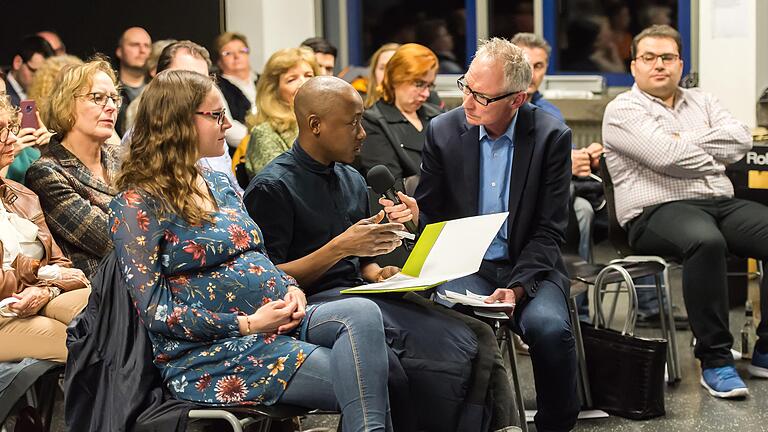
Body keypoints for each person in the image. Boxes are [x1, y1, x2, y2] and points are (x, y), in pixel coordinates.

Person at [110, 69, 392, 431]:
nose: (228, 123)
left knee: (363, 313)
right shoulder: (136, 204)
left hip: (277, 320)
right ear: (176, 124)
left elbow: (256, 255)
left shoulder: (217, 182)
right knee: (370, 380)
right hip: (213, 353)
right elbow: (154, 311)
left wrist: (290, 286)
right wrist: (246, 324)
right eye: (215, 115)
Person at [245, 76, 514, 432]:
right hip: (312, 308)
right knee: (437, 351)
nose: (362, 133)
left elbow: (360, 265)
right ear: (315, 125)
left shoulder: (351, 179)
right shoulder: (272, 187)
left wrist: (378, 272)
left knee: (476, 334)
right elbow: (267, 281)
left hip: (359, 293)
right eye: (353, 123)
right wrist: (341, 246)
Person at [382, 38, 580, 431]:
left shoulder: (550, 136)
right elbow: (434, 215)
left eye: (482, 96)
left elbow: (549, 230)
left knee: (550, 332)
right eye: (465, 87)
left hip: (531, 266)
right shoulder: (444, 130)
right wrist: (416, 216)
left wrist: (519, 287)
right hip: (467, 263)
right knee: (444, 326)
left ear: (517, 100)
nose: (468, 102)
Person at [602, 24, 768, 398]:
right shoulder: (622, 110)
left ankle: (765, 349)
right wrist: (703, 153)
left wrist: (681, 143)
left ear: (680, 63)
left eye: (668, 57)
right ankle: (715, 359)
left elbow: (740, 140)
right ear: (633, 66)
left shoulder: (703, 101)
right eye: (649, 57)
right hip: (656, 211)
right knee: (705, 242)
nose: (659, 65)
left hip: (719, 202)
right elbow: (666, 156)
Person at [0, 91, 90, 363]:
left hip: (38, 297)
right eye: (0, 130)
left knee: (106, 309)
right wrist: (44, 274)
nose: (13, 139)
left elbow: (63, 264)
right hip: (4, 315)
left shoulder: (21, 195)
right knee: (84, 345)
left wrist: (45, 289)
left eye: (11, 127)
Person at [25, 59, 121, 278]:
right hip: (104, 291)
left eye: (114, 99)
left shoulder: (123, 158)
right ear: (66, 105)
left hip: (151, 276)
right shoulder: (47, 172)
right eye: (98, 98)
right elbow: (112, 239)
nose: (111, 106)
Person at [121, 40, 242, 194]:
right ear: (162, 81)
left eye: (204, 79)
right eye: (185, 77)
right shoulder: (142, 137)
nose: (199, 87)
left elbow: (235, 193)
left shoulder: (215, 131)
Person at [355, 43, 442, 195]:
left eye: (429, 85)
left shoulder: (438, 116)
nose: (426, 94)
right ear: (395, 79)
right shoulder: (373, 121)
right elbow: (393, 188)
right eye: (419, 84)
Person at [3, 55, 82, 184]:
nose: (5, 105)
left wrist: (51, 150)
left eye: (4, 97)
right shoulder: (16, 145)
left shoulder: (27, 147)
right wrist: (6, 157)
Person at [244, 47, 318, 177]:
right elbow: (280, 184)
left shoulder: (324, 123)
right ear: (274, 90)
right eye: (292, 79)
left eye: (309, 76)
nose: (303, 83)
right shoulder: (264, 133)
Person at [114, 27, 152, 135]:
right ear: (119, 51)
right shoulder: (109, 90)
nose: (142, 50)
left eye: (147, 46)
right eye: (135, 45)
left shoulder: (158, 90)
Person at [215, 32, 257, 126]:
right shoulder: (217, 87)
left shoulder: (263, 80)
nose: (237, 56)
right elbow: (228, 126)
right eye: (228, 53)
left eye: (242, 51)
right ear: (219, 61)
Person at [4, 35, 54, 107]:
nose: (40, 79)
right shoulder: (3, 95)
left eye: (44, 74)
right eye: (35, 72)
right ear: (17, 62)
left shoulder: (45, 95)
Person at [363, 43, 400, 108]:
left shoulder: (421, 111)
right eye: (382, 68)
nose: (387, 73)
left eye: (393, 68)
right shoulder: (359, 110)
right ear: (374, 72)